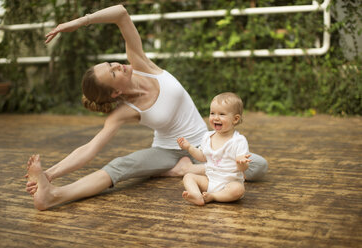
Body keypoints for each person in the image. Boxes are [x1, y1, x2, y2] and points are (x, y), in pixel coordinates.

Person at [25, 5, 268, 211]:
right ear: (115, 93)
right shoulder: (124, 110)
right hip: (164, 151)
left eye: (111, 63)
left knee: (258, 165)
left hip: (203, 142)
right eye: (113, 71)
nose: (118, 65)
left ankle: (185, 169)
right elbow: (90, 148)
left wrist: (80, 22)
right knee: (119, 166)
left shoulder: (140, 62)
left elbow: (120, 13)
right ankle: (53, 195)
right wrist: (49, 174)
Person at [177, 92, 251, 205]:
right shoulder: (207, 137)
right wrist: (189, 147)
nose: (216, 117)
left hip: (229, 184)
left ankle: (214, 197)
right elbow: (202, 157)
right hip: (210, 180)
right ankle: (196, 196)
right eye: (212, 113)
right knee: (188, 177)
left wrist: (241, 162)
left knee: (238, 190)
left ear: (235, 119)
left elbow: (243, 168)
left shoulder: (238, 140)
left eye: (222, 114)